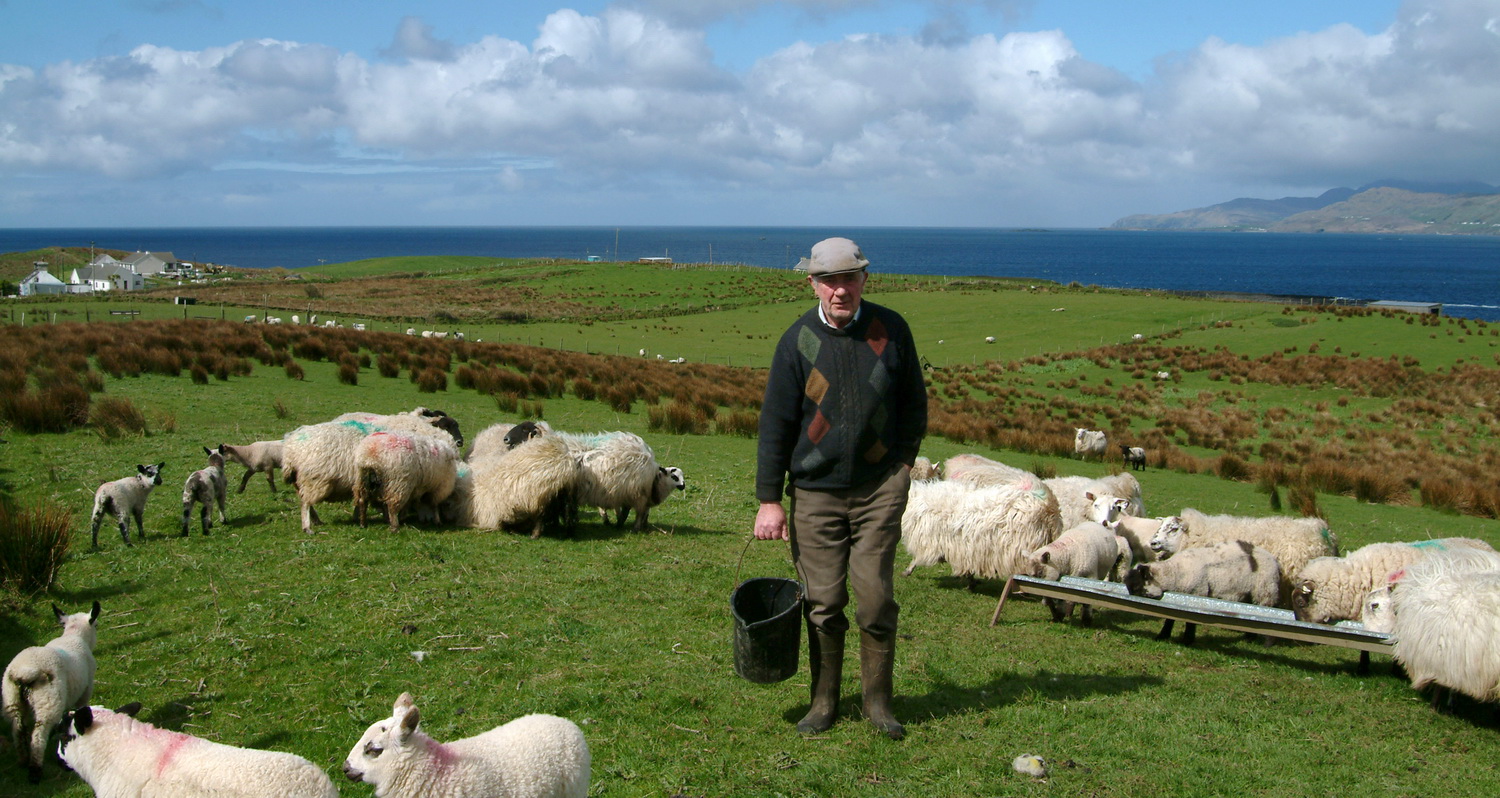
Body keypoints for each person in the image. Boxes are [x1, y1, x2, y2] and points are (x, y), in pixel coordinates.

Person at [753, 236, 928, 739]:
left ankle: (878, 703)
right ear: (812, 283)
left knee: (875, 601)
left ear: (864, 279)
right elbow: (776, 424)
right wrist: (770, 500)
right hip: (815, 493)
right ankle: (824, 700)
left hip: (879, 489)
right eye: (828, 280)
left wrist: (902, 467)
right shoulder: (797, 342)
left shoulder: (891, 330)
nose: (838, 290)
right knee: (823, 603)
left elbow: (914, 404)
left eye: (848, 278)